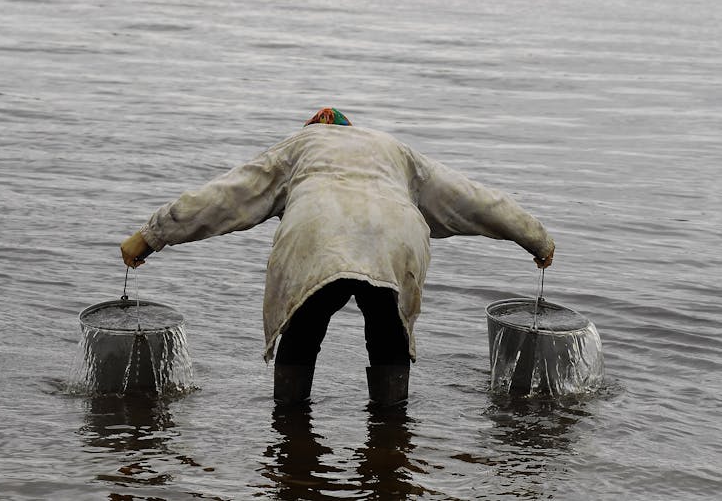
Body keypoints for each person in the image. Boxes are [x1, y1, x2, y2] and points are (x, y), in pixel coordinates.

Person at [120, 107, 555, 406]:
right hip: (391, 240)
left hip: (317, 238)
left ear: (315, 130)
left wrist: (151, 236)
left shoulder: (299, 147)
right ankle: (390, 432)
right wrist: (536, 240)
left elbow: (225, 198)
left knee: (303, 334)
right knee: (388, 335)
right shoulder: (394, 152)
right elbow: (474, 200)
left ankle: (290, 426)